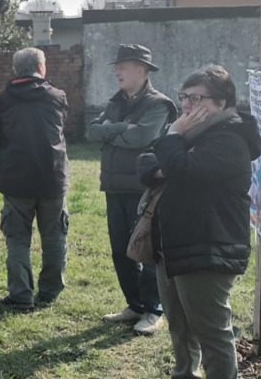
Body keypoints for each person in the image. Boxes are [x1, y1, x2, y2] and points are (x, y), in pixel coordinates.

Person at [140, 65, 259, 379]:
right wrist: (171, 157)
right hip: (176, 243)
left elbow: (179, 168)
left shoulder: (229, 140)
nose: (187, 105)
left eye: (197, 98)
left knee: (212, 333)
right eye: (184, 97)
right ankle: (184, 374)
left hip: (209, 247)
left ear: (221, 104)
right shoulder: (192, 135)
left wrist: (172, 148)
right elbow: (145, 163)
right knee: (179, 326)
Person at [87, 44, 178, 335]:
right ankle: (135, 305)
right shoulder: (115, 102)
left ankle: (154, 309)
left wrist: (112, 130)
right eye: (117, 67)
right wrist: (120, 127)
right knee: (120, 250)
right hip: (113, 187)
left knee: (147, 248)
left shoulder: (158, 104)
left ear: (141, 70)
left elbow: (141, 137)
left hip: (144, 189)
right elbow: (91, 131)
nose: (117, 71)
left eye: (122, 67)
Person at [0, 48, 70, 311]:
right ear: (41, 67)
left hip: (16, 179)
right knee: (54, 236)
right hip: (52, 177)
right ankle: (50, 291)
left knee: (17, 239)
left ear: (15, 69)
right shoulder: (57, 96)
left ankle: (21, 294)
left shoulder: (1, 100)